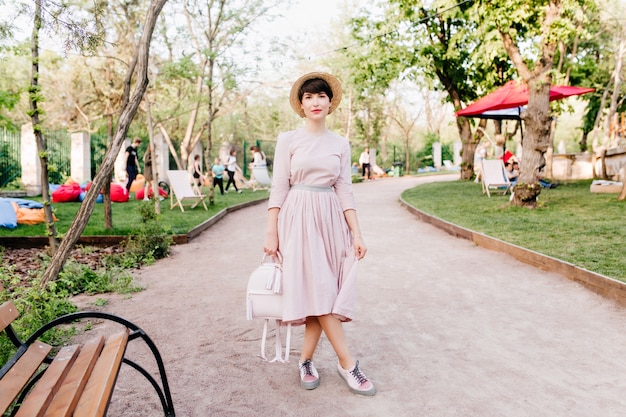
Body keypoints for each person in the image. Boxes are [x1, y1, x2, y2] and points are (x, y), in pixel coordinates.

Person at [263, 72, 375, 396]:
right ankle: (348, 363)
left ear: (330, 103)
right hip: (297, 218)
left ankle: (305, 360)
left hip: (330, 221)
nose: (315, 102)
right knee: (322, 290)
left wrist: (357, 233)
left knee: (320, 292)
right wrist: (271, 231)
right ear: (301, 104)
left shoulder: (340, 143)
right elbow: (278, 187)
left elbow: (345, 190)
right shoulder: (288, 140)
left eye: (321, 96)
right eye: (309, 97)